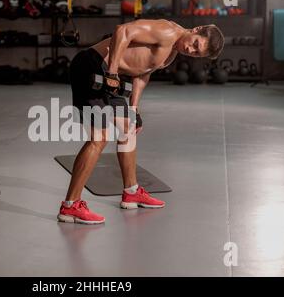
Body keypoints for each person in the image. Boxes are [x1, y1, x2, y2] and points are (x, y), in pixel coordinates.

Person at [58, 19, 225, 225]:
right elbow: (123, 31)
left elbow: (142, 74)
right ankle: (70, 206)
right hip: (91, 66)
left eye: (196, 53)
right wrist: (111, 72)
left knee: (127, 129)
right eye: (195, 44)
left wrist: (134, 109)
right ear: (197, 29)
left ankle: (131, 192)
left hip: (113, 76)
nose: (190, 50)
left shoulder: (172, 52)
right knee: (99, 138)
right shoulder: (166, 31)